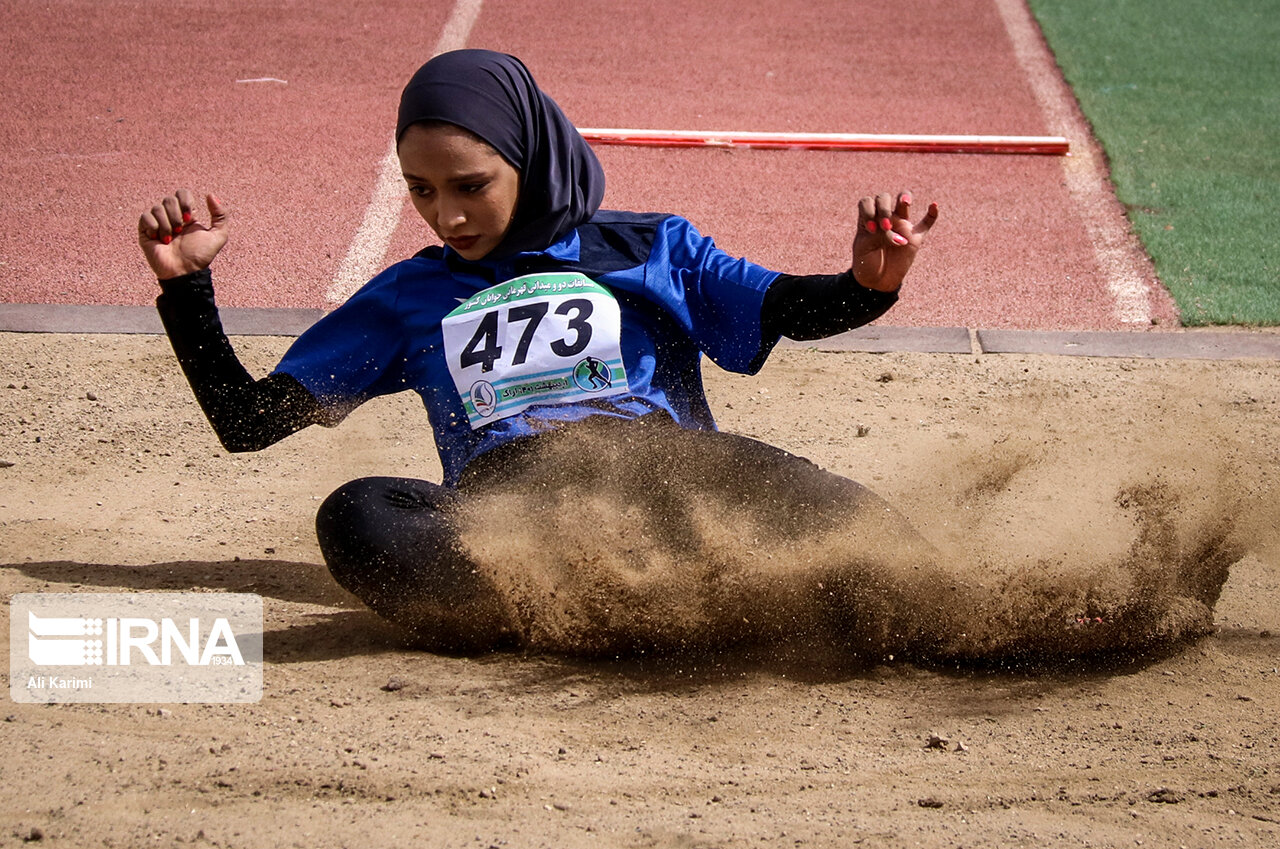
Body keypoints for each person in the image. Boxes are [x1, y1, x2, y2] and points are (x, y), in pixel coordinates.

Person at [138, 49, 939, 653]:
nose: (446, 216)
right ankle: (589, 615)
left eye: (470, 185)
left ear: (530, 156)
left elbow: (782, 308)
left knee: (835, 512)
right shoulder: (408, 294)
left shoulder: (649, 246)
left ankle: (955, 610)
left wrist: (865, 286)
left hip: (676, 480)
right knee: (357, 513)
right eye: (422, 191)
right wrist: (187, 290)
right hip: (516, 518)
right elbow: (249, 419)